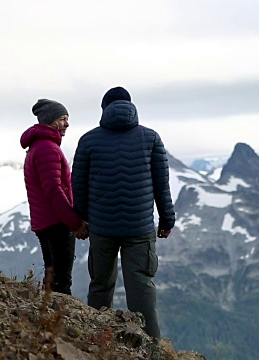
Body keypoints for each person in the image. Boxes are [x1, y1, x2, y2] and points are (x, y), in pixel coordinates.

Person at [72, 86, 175, 341]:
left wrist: (80, 220)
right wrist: (166, 220)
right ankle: (152, 346)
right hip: (139, 229)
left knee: (100, 286)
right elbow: (162, 185)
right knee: (141, 286)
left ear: (104, 109)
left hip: (102, 228)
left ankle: (94, 340)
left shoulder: (88, 140)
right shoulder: (151, 138)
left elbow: (79, 185)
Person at [21, 98, 89, 295]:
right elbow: (54, 190)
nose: (67, 124)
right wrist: (74, 223)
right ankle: (58, 322)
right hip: (56, 222)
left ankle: (47, 318)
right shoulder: (47, 149)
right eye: (63, 118)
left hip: (48, 221)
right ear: (50, 121)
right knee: (61, 281)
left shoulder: (39, 146)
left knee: (53, 279)